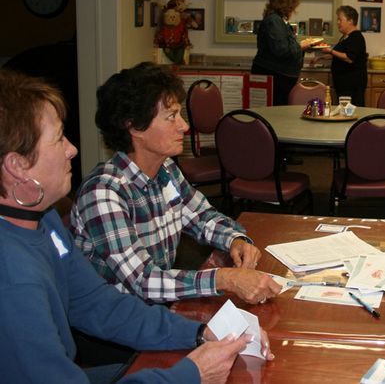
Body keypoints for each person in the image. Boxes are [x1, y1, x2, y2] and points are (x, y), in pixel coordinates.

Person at [0, 70, 273, 383]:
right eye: (59, 138)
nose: (72, 149)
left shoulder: (43, 220)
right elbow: (141, 283)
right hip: (103, 350)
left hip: (132, 327)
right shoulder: (12, 275)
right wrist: (190, 374)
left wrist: (200, 332)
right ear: (16, 165)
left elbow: (96, 303)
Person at [70, 63, 281, 305]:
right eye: (171, 117)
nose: (184, 126)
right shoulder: (103, 193)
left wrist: (235, 240)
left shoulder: (165, 169)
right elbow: (144, 280)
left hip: (154, 310)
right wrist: (225, 278)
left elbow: (202, 217)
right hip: (114, 326)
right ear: (134, 126)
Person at [251, 0, 316, 105]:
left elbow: (285, 46)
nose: (293, 11)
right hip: (276, 77)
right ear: (286, 6)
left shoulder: (278, 20)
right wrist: (301, 46)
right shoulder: (274, 20)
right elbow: (281, 50)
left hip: (280, 77)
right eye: (292, 7)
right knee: (275, 113)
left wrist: (303, 47)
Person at [313, 6, 368, 107]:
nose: (338, 22)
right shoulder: (345, 37)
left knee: (350, 112)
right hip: (343, 84)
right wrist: (322, 57)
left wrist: (331, 51)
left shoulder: (356, 37)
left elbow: (349, 58)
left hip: (351, 85)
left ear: (350, 21)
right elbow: (339, 54)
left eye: (340, 19)